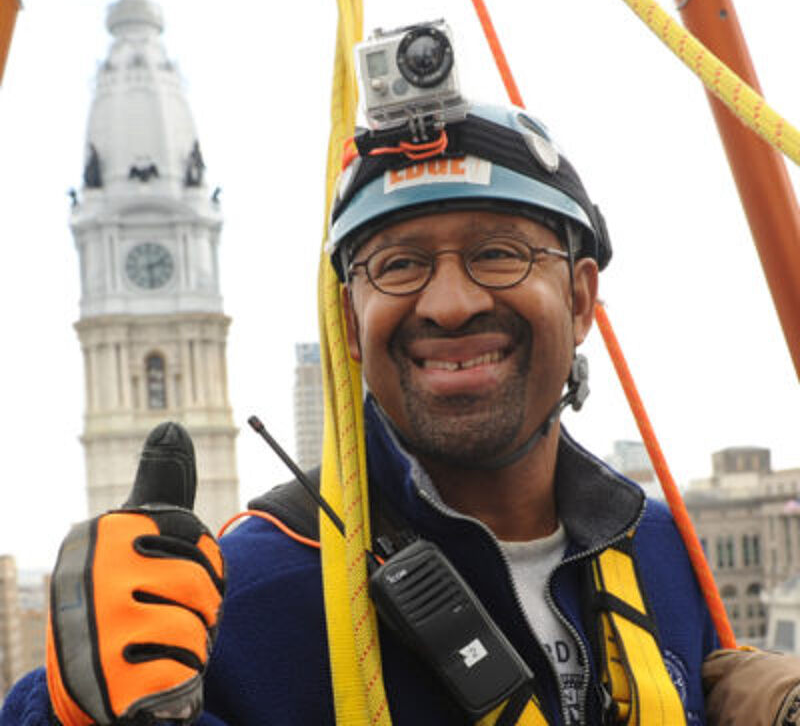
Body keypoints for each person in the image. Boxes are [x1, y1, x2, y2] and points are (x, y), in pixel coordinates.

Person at [4, 96, 781, 726]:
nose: (448, 303)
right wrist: (65, 712)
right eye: (400, 264)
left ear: (580, 299)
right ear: (349, 325)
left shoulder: (662, 554)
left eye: (499, 252)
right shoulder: (238, 608)